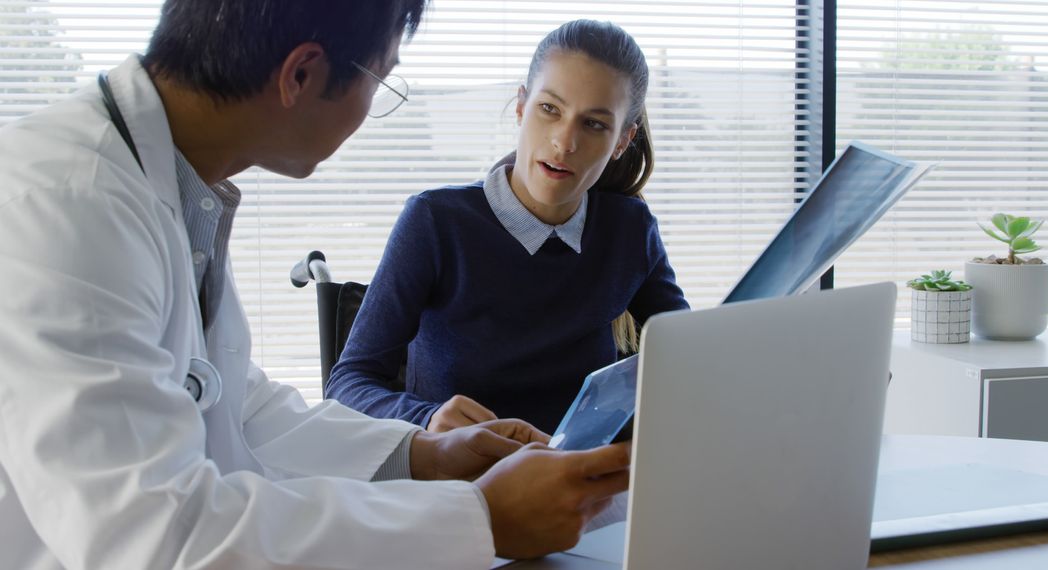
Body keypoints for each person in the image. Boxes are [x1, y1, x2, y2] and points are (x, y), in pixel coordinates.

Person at [0, 2, 632, 568]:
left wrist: (423, 456)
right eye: (380, 79)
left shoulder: (169, 187)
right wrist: (479, 519)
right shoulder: (69, 204)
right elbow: (156, 535)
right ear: (301, 75)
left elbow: (239, 407)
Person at [327, 20, 690, 434]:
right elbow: (346, 385)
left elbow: (688, 363)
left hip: (577, 481)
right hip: (462, 482)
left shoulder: (629, 230)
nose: (564, 142)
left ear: (623, 140)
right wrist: (425, 419)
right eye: (549, 109)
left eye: (594, 125)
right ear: (521, 106)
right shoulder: (435, 222)